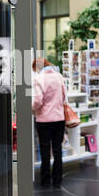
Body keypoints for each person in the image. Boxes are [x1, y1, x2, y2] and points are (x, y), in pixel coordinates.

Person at [32, 58, 67, 188]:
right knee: (58, 150)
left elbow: (37, 101)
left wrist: (31, 109)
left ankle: (45, 181)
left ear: (38, 67)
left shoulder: (39, 79)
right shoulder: (59, 76)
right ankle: (57, 180)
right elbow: (64, 96)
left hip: (44, 120)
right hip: (59, 119)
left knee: (45, 150)